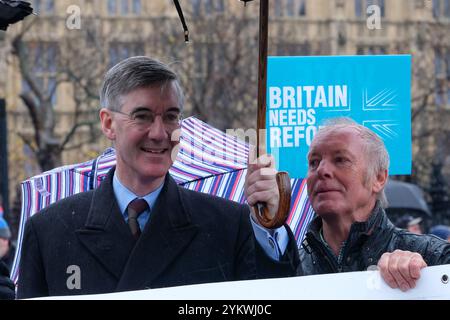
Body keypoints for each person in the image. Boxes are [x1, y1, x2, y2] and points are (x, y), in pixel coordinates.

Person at [16, 56, 299, 299]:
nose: (160, 133)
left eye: (171, 117)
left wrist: (268, 226)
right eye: (142, 116)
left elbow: (267, 299)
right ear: (108, 123)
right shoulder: (48, 232)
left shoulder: (229, 224)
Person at [297, 118, 450, 291]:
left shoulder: (431, 256)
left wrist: (427, 278)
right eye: (314, 162)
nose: (322, 170)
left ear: (379, 178)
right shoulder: (288, 268)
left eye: (340, 160)